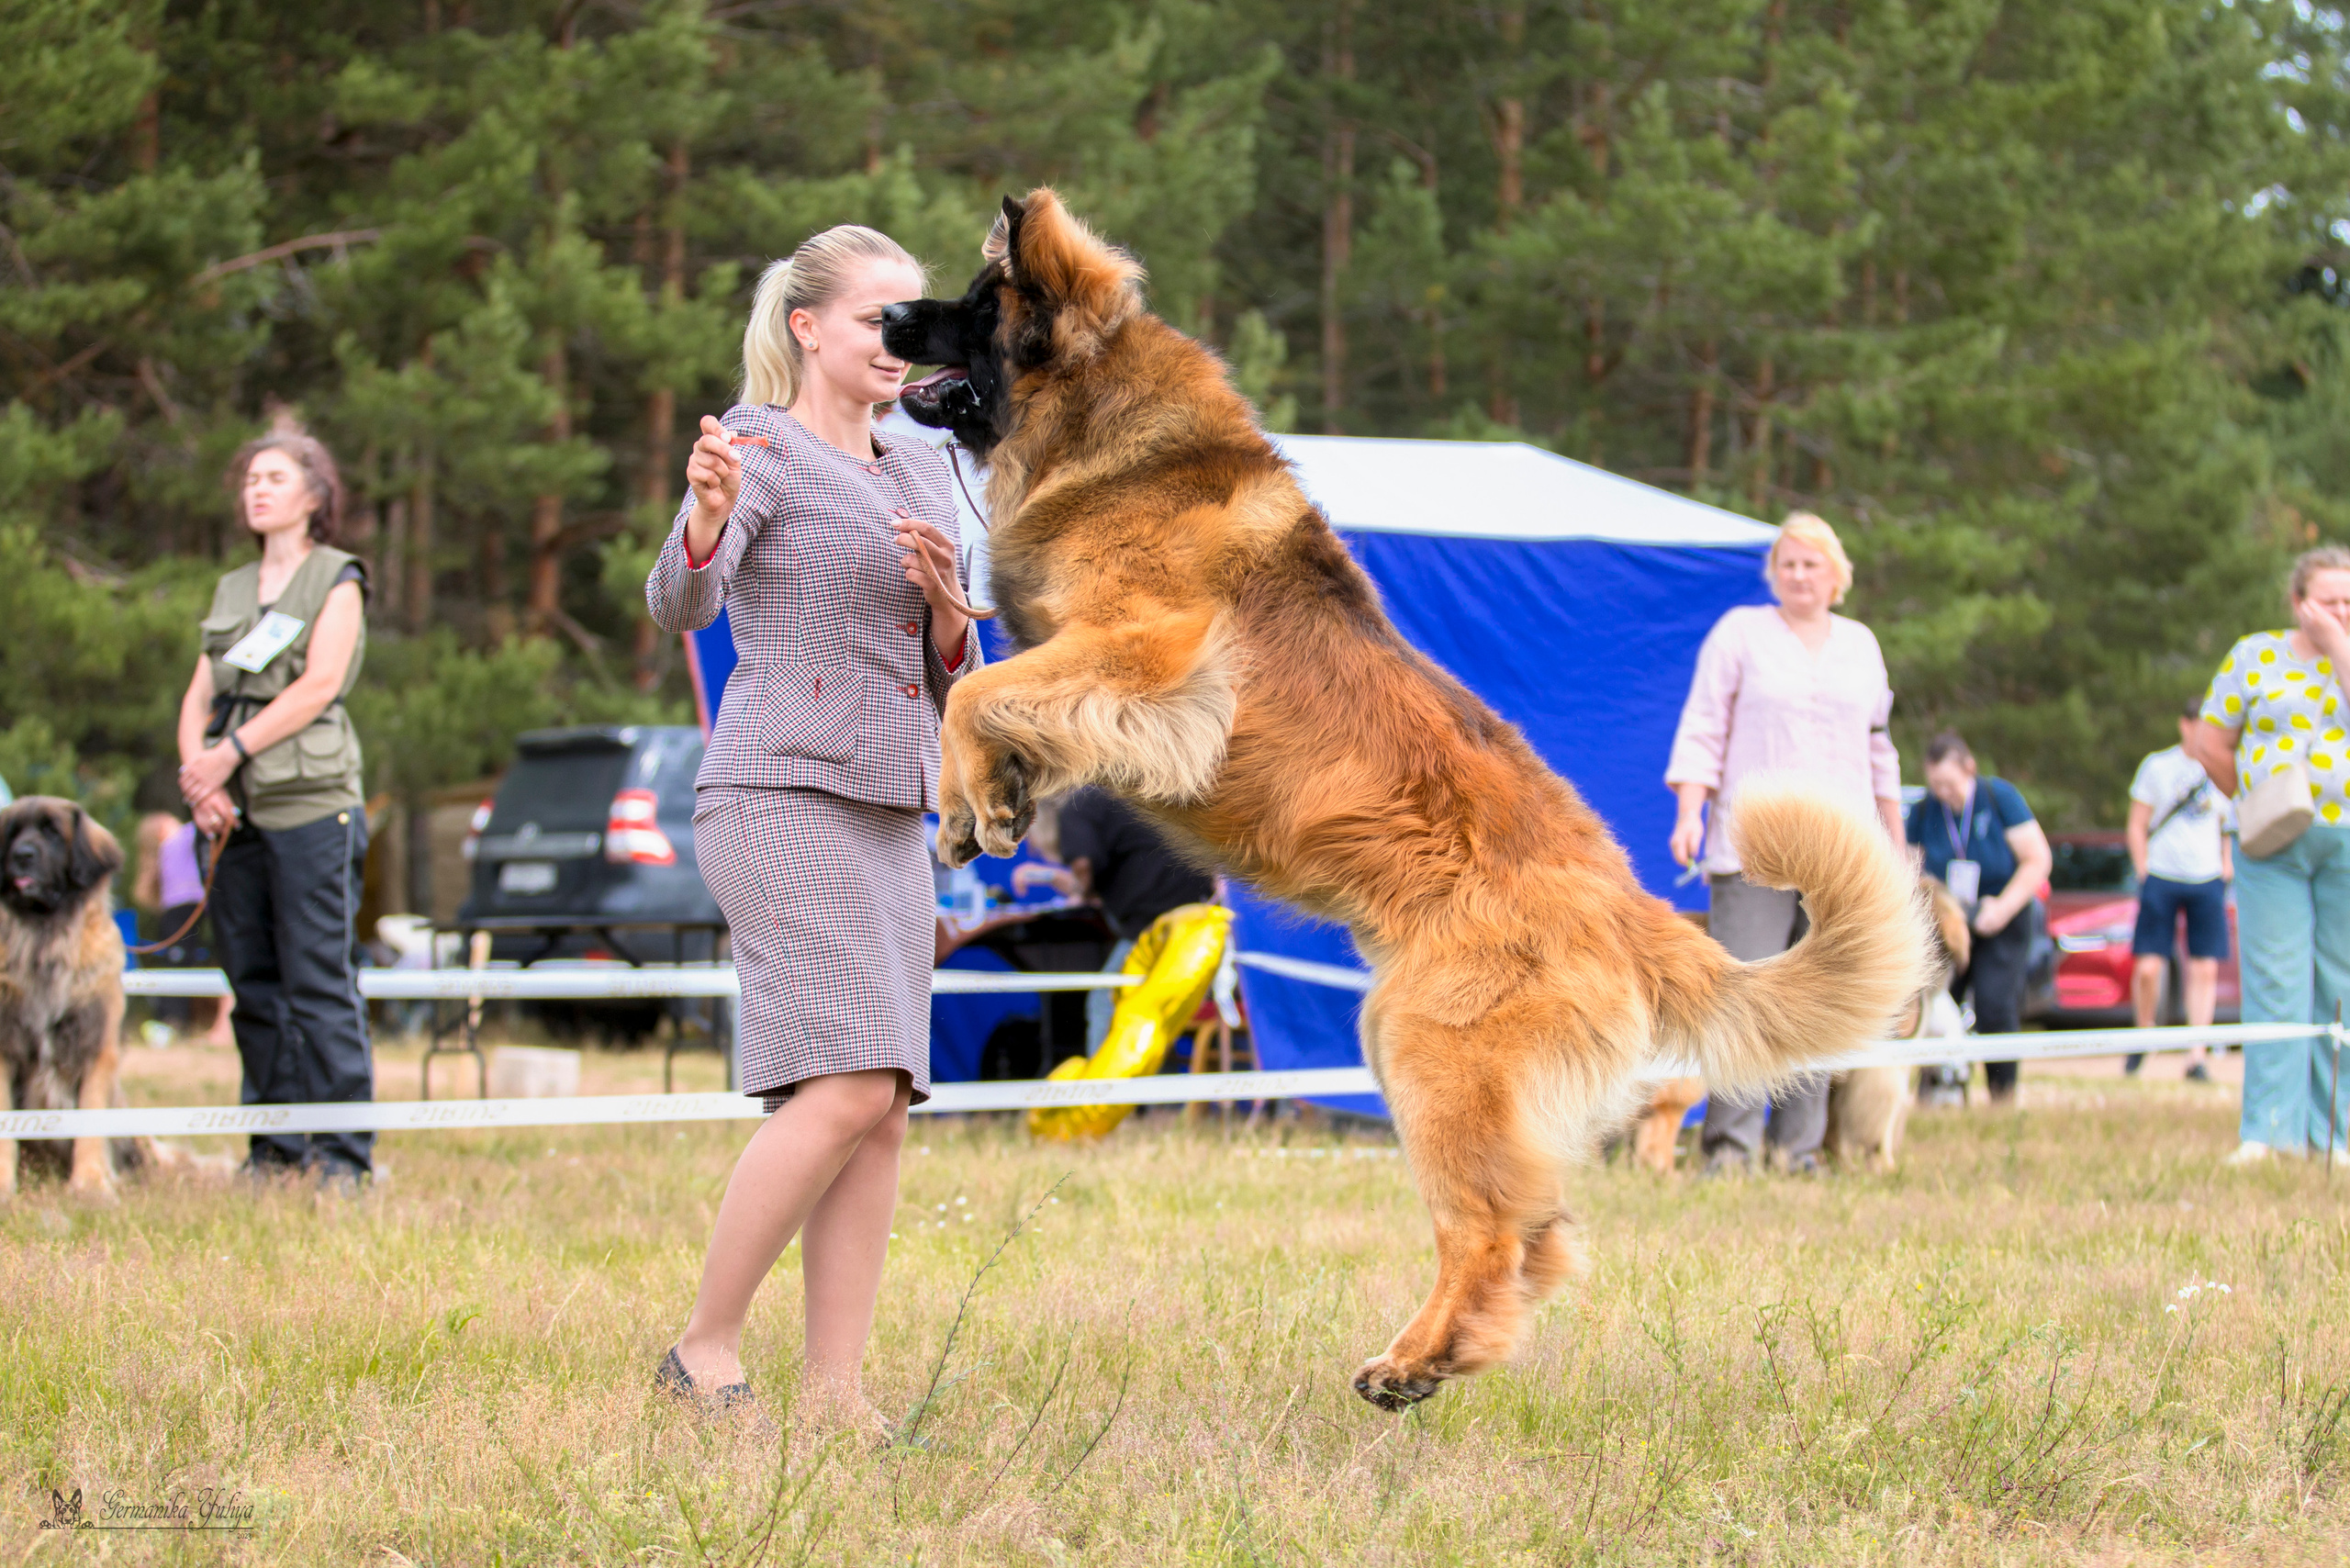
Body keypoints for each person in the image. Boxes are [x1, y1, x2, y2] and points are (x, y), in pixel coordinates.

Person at [643, 225, 979, 1434]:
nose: (898, 343)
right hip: (778, 792)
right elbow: (684, 600)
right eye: (872, 321)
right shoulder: (755, 445)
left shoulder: (922, 468)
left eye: (910, 321)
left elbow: (957, 675)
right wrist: (701, 516)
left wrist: (951, 613)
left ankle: (838, 1396)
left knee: (888, 1100)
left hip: (894, 808)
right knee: (842, 1088)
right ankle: (702, 1348)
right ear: (807, 329)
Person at [1665, 511, 1906, 1175]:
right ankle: (1729, 1151)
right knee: (1744, 995)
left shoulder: (1861, 645)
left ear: (1837, 576)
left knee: (1824, 997)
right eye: (1789, 564)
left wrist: (1897, 840)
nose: (1800, 575)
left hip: (1845, 854)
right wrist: (1690, 813)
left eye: (1812, 564)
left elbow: (1880, 750)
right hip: (1754, 849)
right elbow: (1703, 728)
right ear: (1775, 573)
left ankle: (1800, 1151)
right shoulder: (1739, 633)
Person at [174, 430, 374, 1191]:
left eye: (275, 477)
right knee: (252, 984)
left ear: (314, 495)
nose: (257, 489)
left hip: (309, 803)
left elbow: (318, 685)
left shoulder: (337, 578)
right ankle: (274, 1153)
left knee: (318, 979)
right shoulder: (231, 589)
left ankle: (343, 1159)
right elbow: (199, 694)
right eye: (250, 477)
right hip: (231, 813)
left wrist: (230, 753)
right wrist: (201, 776)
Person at [2190, 543, 2350, 1168]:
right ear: (2297, 600)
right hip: (2271, 845)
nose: (2340, 610)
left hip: (2345, 838)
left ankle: (2334, 1132)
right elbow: (2211, 741)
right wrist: (2257, 803)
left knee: (2338, 983)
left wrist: (2337, 647)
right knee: (2276, 980)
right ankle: (2268, 1130)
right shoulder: (2254, 654)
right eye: (2329, 600)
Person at [1907, 733, 2052, 1103]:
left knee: (1993, 1004)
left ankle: (2003, 1095)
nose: (1943, 792)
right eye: (1936, 784)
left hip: (2000, 915)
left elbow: (2038, 860)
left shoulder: (1999, 798)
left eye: (1950, 784)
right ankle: (1939, 1091)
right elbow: (1908, 868)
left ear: (1969, 769)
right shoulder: (1924, 811)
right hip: (1947, 923)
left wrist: (2002, 907)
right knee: (1937, 1004)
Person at [1056, 785, 1217, 1053]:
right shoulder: (1150, 788)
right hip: (1204, 928)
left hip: (1153, 930)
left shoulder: (1080, 805)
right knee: (1148, 1010)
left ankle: (1106, 1092)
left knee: (1105, 1003)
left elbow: (1082, 866)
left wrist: (1081, 892)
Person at [2123, 697, 2233, 1079]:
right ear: (2184, 724)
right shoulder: (2159, 766)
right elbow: (2137, 823)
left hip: (2205, 878)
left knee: (2204, 967)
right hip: (2162, 875)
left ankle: (2196, 1055)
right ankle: (2144, 1035)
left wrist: (2225, 862)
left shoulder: (2220, 767)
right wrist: (2142, 868)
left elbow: (2226, 823)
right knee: (2149, 967)